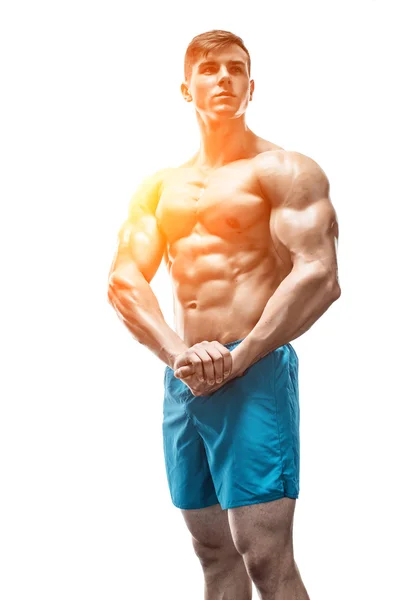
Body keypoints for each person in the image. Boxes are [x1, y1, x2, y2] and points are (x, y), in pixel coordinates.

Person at [107, 29, 340, 600]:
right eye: (209, 71)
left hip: (254, 373)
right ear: (185, 89)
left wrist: (239, 359)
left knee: (265, 556)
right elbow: (123, 279)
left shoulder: (284, 171)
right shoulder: (159, 187)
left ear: (251, 86)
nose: (224, 79)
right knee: (213, 555)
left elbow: (319, 275)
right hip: (185, 379)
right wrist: (177, 355)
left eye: (236, 69)